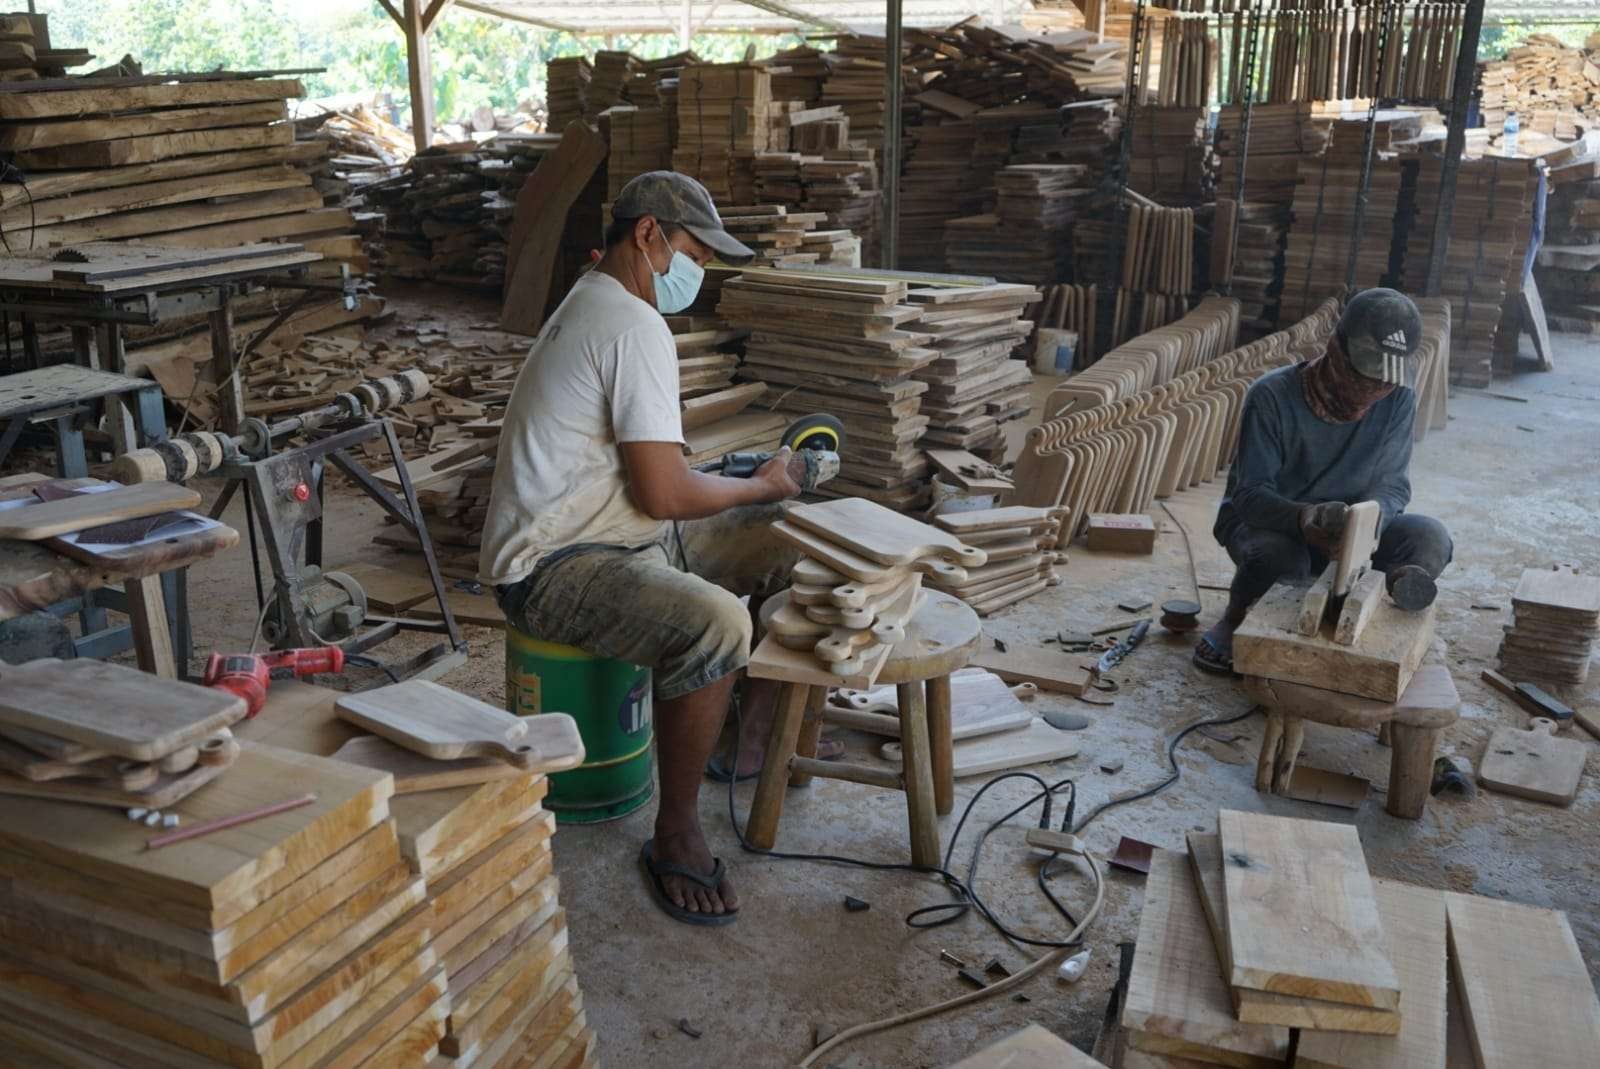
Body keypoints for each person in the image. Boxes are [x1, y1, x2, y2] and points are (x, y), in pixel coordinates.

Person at [480, 171, 802, 926]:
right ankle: (677, 830)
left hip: (596, 527)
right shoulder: (630, 323)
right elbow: (663, 494)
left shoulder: (596, 299)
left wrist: (750, 493)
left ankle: (745, 740)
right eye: (693, 250)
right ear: (648, 234)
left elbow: (655, 474)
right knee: (718, 620)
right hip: (552, 564)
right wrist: (759, 487)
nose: (700, 272)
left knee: (786, 541)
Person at [1193, 288, 1453, 674]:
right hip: (1273, 523)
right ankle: (1236, 615)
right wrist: (1306, 518)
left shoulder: (1397, 397)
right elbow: (1249, 495)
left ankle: (1378, 601)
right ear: (1334, 348)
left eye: (1384, 382)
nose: (1371, 392)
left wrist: (1369, 522)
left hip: (1353, 531)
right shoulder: (1271, 396)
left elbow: (1394, 485)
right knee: (1280, 558)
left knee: (1430, 537)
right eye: (1362, 375)